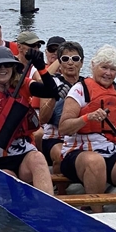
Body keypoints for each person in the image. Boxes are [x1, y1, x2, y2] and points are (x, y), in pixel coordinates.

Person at [0, 46, 63, 195]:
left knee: (39, 158)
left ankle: (47, 208)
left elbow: (52, 92)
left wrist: (41, 67)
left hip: (24, 154)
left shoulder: (25, 84)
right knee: (10, 177)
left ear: (13, 67)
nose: (2, 69)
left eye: (7, 64)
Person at [58, 45, 116, 213]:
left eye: (113, 69)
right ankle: (98, 214)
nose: (108, 73)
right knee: (95, 161)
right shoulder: (80, 90)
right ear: (93, 66)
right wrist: (88, 117)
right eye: (104, 67)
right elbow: (64, 128)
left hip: (109, 151)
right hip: (77, 155)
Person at [40, 41, 83, 175]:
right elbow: (43, 118)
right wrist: (54, 98)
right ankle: (61, 191)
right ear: (60, 62)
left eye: (75, 59)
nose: (70, 63)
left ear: (81, 63)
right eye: (65, 59)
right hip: (54, 138)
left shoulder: (87, 85)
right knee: (61, 154)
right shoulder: (50, 84)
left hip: (80, 137)